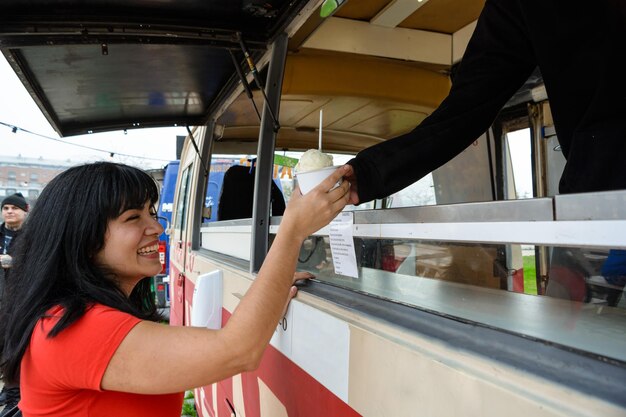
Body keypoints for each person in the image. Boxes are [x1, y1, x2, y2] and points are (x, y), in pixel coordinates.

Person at [0, 162, 350, 417]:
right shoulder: (76, 327)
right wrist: (293, 229)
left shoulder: (75, 315)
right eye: (133, 218)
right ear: (83, 237)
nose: (155, 227)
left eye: (152, 212)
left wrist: (272, 288)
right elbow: (237, 350)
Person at [343, 0, 625, 300]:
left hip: (594, 204)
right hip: (594, 212)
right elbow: (464, 109)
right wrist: (369, 174)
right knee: (570, 340)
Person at [0, 193, 28, 415]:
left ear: (24, 211)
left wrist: (14, 262)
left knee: (14, 350)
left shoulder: (32, 237)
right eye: (6, 207)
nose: (9, 211)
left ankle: (14, 398)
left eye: (14, 208)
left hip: (20, 302)